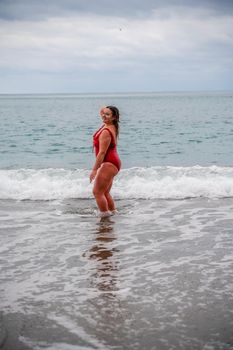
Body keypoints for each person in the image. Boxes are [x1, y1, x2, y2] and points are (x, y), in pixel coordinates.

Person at [90, 106, 121, 217]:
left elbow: (102, 153)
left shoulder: (106, 131)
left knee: (97, 192)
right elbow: (102, 112)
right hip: (113, 163)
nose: (103, 115)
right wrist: (105, 110)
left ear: (114, 117)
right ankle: (112, 214)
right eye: (103, 113)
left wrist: (94, 170)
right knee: (105, 192)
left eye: (107, 114)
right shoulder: (110, 125)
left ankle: (105, 217)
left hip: (109, 163)